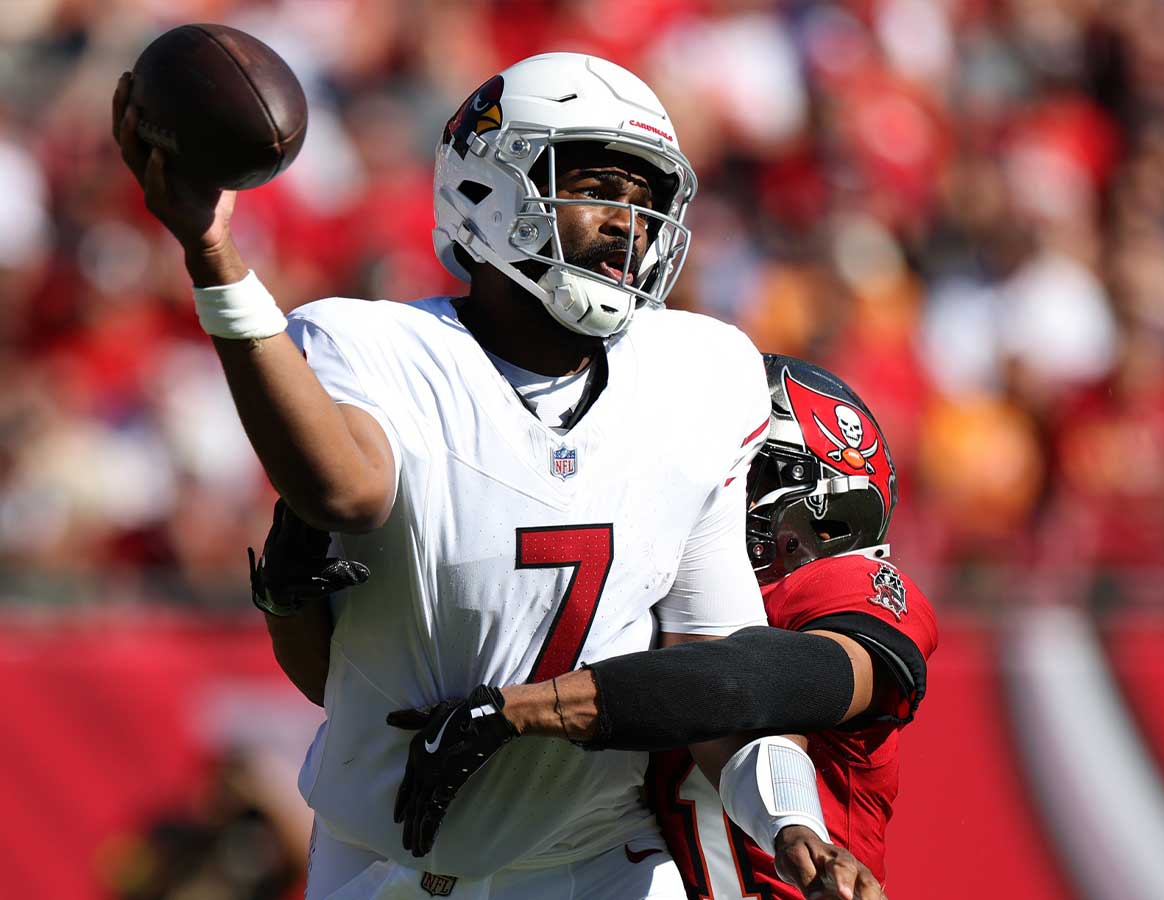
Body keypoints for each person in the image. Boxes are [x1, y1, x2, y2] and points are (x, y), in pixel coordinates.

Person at [115, 51, 880, 900]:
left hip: (598, 861)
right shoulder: (374, 346)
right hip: (388, 865)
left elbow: (719, 678)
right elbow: (347, 493)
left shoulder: (697, 374)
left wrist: (790, 823)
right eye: (596, 185)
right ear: (488, 184)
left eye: (645, 198)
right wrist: (216, 255)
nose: (629, 222)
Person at [261, 356, 936, 898]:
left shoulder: (843, 589)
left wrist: (522, 709)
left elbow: (736, 682)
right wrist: (292, 605)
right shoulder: (652, 580)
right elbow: (358, 695)